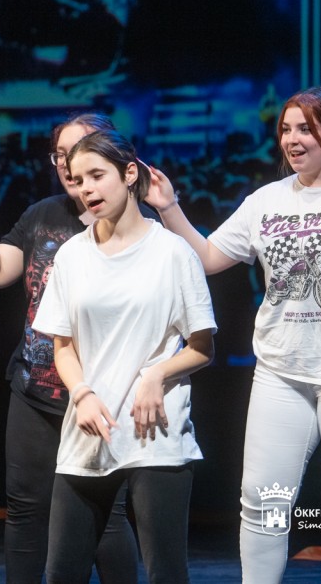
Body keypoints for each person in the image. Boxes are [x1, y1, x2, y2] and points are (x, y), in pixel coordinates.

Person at [147, 84, 321, 583]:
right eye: (286, 129)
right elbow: (208, 257)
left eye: (305, 129)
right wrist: (169, 207)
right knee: (263, 501)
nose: (292, 139)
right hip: (280, 370)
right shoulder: (266, 200)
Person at [32, 128, 216, 584]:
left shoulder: (173, 252)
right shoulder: (72, 256)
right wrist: (81, 393)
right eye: (78, 180)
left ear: (130, 173)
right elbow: (63, 346)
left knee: (165, 573)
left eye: (97, 175)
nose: (86, 189)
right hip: (88, 430)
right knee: (62, 573)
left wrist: (155, 374)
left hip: (155, 432)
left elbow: (203, 348)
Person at [0, 113, 139, 584]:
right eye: (59, 155)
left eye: (76, 152)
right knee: (24, 509)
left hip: (100, 394)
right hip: (35, 389)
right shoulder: (42, 214)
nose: (66, 163)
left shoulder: (132, 223)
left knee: (107, 515)